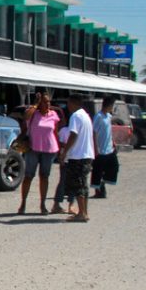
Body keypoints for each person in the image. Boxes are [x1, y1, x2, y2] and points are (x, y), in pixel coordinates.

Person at [18, 91, 60, 215]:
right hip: (33, 149)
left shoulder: (53, 114)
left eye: (49, 102)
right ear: (39, 103)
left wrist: (61, 148)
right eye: (45, 102)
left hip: (49, 149)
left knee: (44, 176)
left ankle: (42, 204)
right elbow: (26, 117)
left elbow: (55, 132)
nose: (48, 104)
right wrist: (35, 104)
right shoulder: (33, 114)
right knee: (28, 176)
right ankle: (23, 203)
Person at [57, 94, 95, 223]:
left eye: (68, 103)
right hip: (87, 154)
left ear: (73, 103)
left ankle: (82, 213)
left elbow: (73, 134)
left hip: (78, 155)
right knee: (83, 184)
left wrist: (64, 152)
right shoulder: (86, 116)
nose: (67, 106)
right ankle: (84, 211)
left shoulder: (76, 116)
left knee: (78, 184)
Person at [91, 96, 119, 199]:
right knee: (98, 170)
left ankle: (103, 181)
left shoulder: (108, 116)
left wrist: (113, 142)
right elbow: (93, 132)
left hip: (109, 147)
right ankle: (99, 191)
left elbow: (109, 131)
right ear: (108, 105)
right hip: (100, 148)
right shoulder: (98, 116)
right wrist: (95, 148)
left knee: (114, 167)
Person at [50, 122, 76, 214]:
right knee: (63, 181)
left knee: (74, 182)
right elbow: (59, 143)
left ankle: (71, 204)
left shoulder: (77, 130)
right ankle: (56, 204)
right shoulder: (64, 130)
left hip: (75, 158)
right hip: (65, 159)